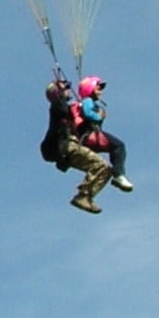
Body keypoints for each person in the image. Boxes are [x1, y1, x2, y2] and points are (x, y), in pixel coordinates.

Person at [41, 74, 117, 214]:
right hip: (68, 147)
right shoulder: (57, 105)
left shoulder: (64, 109)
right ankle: (83, 195)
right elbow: (63, 108)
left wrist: (93, 115)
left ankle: (85, 196)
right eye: (66, 87)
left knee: (105, 169)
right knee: (102, 166)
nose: (70, 89)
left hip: (72, 148)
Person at [74, 76, 130, 195]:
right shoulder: (87, 101)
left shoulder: (87, 102)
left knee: (113, 149)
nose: (100, 92)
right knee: (119, 146)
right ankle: (119, 175)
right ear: (90, 89)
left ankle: (116, 174)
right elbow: (89, 114)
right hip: (91, 136)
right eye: (98, 88)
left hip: (88, 138)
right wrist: (99, 116)